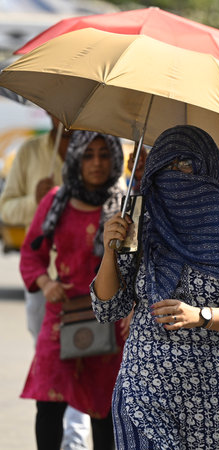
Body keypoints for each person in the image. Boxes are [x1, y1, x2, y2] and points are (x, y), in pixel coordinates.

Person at [90, 125, 219, 449]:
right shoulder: (140, 226)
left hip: (217, 400)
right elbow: (108, 307)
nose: (177, 176)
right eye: (168, 166)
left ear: (208, 170)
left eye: (186, 166)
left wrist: (202, 315)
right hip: (144, 392)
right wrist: (110, 248)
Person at [19, 130, 126, 450]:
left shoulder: (124, 207)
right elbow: (30, 254)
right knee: (48, 404)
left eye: (104, 154)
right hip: (61, 317)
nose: (96, 162)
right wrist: (46, 283)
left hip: (109, 317)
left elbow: (140, 267)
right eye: (88, 154)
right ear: (76, 157)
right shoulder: (55, 201)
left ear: (115, 159)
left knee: (104, 411)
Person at [0, 115, 91, 450]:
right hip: (45, 287)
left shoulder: (96, 154)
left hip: (87, 288)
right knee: (53, 365)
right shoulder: (29, 153)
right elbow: (7, 209)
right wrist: (35, 201)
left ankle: (75, 442)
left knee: (85, 359)